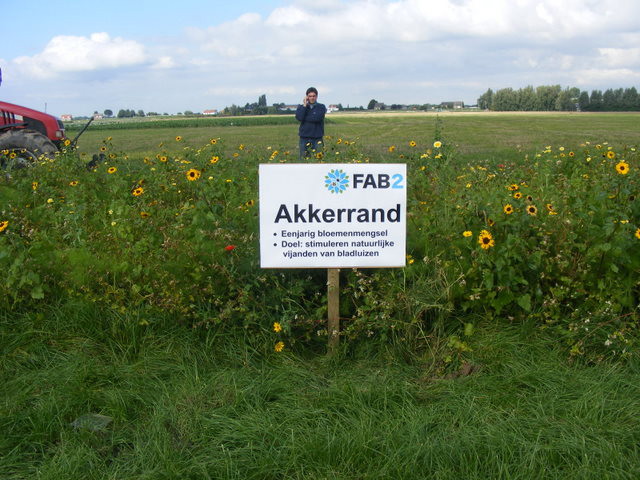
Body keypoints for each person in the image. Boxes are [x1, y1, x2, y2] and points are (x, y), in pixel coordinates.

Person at [296, 87, 326, 159]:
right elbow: (299, 117)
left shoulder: (321, 107)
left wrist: (305, 117)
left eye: (313, 96)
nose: (312, 98)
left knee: (319, 159)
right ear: (307, 97)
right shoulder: (301, 107)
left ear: (316, 96)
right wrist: (304, 105)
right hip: (304, 138)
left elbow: (317, 118)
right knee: (304, 160)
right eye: (310, 96)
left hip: (317, 138)